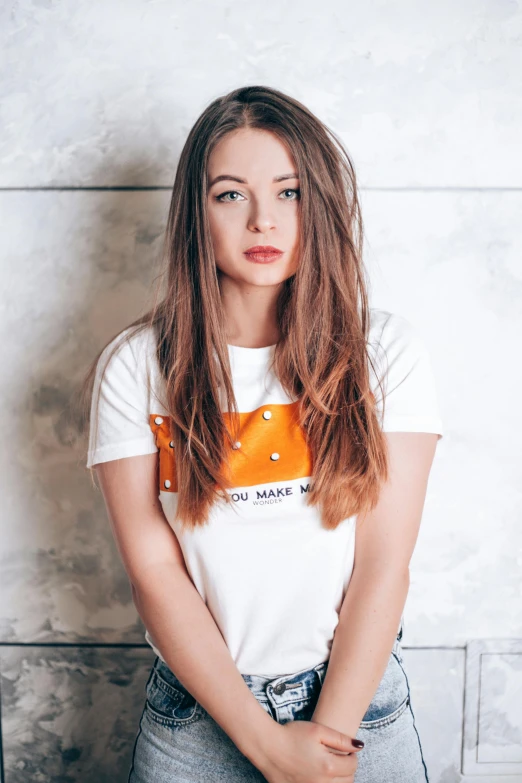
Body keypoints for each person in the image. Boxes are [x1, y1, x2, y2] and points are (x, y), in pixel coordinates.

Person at [81, 85, 443, 783]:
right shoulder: (136, 366)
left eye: (289, 192)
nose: (262, 222)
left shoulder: (386, 354)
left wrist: (326, 741)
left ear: (322, 206)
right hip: (200, 712)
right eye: (229, 195)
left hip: (358, 706)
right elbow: (156, 573)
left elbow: (382, 566)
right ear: (198, 212)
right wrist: (264, 744)